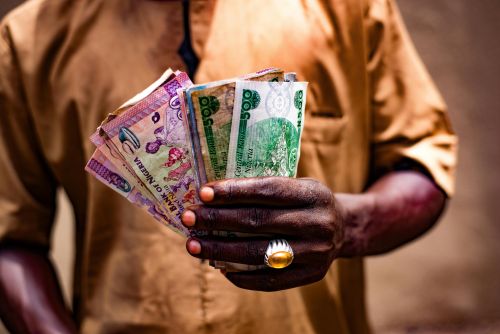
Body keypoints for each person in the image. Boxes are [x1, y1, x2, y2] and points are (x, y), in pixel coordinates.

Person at [0, 0, 457, 333]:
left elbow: (424, 161)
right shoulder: (29, 38)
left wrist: (349, 226)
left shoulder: (349, 7)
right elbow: (10, 239)